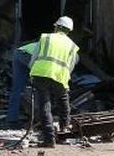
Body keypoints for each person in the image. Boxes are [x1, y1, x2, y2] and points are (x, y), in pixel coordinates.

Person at [28, 16, 79, 147]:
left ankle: (49, 139)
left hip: (41, 74)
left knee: (45, 106)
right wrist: (65, 78)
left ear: (56, 27)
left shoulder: (46, 38)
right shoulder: (72, 46)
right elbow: (70, 66)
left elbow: (34, 57)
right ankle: (64, 134)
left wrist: (31, 72)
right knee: (63, 103)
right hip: (60, 77)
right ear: (69, 30)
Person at [7, 40, 38, 124]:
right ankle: (39, 116)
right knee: (41, 87)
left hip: (19, 52)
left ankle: (12, 118)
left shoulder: (48, 43)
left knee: (17, 88)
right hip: (28, 55)